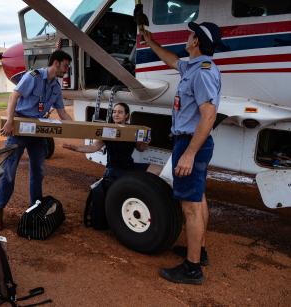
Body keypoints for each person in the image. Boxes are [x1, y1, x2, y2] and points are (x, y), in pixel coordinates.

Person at [142, 22, 223, 284]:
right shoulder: (195, 66)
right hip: (192, 142)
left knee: (190, 207)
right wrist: (150, 41)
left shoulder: (202, 72)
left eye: (190, 35)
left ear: (196, 41)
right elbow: (172, 60)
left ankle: (192, 268)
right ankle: (200, 250)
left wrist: (189, 153)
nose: (186, 38)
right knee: (198, 199)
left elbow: (208, 115)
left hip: (192, 143)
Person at [0, 50, 73, 231]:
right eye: (66, 66)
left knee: (38, 172)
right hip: (19, 128)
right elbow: (14, 96)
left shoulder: (56, 87)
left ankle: (34, 209)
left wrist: (80, 128)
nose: (67, 70)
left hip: (37, 131)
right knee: (9, 172)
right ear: (56, 63)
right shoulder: (33, 76)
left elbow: (62, 113)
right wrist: (10, 121)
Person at [63, 102, 149, 179]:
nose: (116, 114)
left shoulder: (132, 130)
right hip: (114, 170)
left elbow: (140, 148)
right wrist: (77, 148)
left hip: (130, 166)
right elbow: (94, 147)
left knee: (158, 169)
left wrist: (145, 142)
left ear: (126, 115)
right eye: (114, 112)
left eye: (120, 112)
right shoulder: (108, 130)